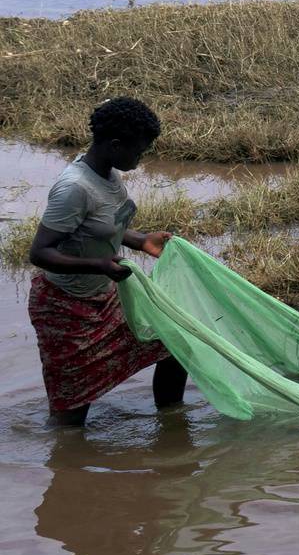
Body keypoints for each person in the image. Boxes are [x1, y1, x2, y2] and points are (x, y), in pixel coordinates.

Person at [25, 97, 188, 426]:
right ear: (115, 145)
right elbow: (39, 252)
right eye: (138, 152)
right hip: (65, 309)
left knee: (173, 343)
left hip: (105, 299)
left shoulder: (108, 175)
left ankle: (171, 424)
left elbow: (105, 225)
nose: (140, 160)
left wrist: (141, 240)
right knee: (71, 413)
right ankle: (69, 465)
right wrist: (98, 265)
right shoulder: (74, 188)